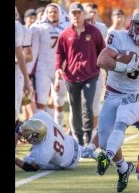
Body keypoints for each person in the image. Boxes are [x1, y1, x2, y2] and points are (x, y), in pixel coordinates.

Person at [95, 10, 139, 193]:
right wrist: (125, 67)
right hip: (112, 94)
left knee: (122, 122)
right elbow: (102, 60)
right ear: (132, 25)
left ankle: (107, 156)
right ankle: (123, 168)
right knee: (104, 140)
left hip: (133, 95)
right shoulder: (119, 37)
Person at [55, 2, 106, 145]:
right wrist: (59, 67)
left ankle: (88, 136)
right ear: (70, 16)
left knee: (87, 105)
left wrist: (104, 69)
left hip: (90, 75)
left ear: (84, 15)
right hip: (71, 76)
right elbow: (60, 53)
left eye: (79, 13)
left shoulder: (94, 32)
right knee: (75, 107)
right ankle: (77, 138)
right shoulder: (65, 34)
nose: (76, 16)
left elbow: (102, 50)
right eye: (73, 13)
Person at [31, 3, 70, 126]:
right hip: (43, 68)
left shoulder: (67, 27)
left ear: (60, 13)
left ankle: (58, 128)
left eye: (55, 12)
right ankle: (39, 129)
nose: (52, 14)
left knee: (59, 101)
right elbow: (34, 50)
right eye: (50, 12)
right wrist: (28, 71)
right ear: (46, 14)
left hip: (61, 68)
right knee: (41, 100)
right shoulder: (39, 27)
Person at [15, 111, 82, 171]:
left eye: (26, 136)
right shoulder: (41, 117)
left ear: (35, 140)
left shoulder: (42, 152)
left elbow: (30, 167)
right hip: (71, 143)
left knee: (27, 160)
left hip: (70, 162)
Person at [82, 2, 109, 133]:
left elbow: (104, 51)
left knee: (95, 101)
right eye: (89, 12)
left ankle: (93, 132)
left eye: (94, 12)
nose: (91, 15)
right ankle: (77, 130)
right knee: (77, 103)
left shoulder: (102, 28)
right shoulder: (78, 27)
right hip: (79, 70)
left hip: (96, 70)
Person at [15, 6, 32, 123]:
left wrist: (26, 80)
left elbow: (21, 55)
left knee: (16, 111)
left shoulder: (17, 27)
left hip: (16, 72)